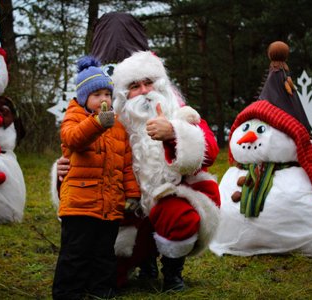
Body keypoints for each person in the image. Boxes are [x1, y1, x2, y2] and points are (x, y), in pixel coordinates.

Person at [110, 50, 221, 291]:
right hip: (131, 211)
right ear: (123, 94)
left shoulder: (182, 113)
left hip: (174, 201)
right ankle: (144, 262)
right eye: (134, 86)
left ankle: (172, 272)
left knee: (178, 215)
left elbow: (211, 151)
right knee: (110, 278)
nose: (143, 91)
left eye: (148, 83)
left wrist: (173, 133)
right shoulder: (117, 123)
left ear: (160, 85)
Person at [52, 56, 141, 299]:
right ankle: (68, 292)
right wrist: (97, 123)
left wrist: (132, 193)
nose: (104, 99)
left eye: (107, 94)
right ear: (84, 98)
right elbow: (73, 140)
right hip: (80, 202)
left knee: (104, 252)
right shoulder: (75, 118)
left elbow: (125, 163)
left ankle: (101, 290)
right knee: (76, 252)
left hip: (110, 203)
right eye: (96, 95)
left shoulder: (118, 126)